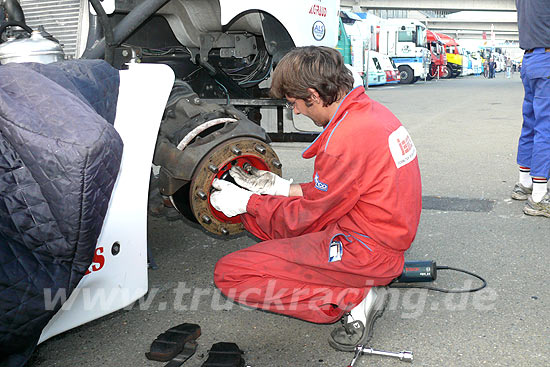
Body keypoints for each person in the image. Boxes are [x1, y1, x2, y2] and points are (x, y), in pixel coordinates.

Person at [210, 46, 422, 351]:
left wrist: (248, 204)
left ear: (314, 95)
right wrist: (281, 188)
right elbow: (345, 190)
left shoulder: (344, 141)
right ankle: (348, 284)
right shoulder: (371, 114)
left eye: (295, 103)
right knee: (266, 221)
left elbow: (302, 220)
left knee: (232, 273)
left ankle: (352, 296)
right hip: (379, 235)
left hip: (364, 252)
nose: (296, 111)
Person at [511, 1, 550, 217]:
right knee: (546, 128)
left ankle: (524, 183)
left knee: (531, 124)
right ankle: (539, 196)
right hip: (546, 58)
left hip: (530, 59)